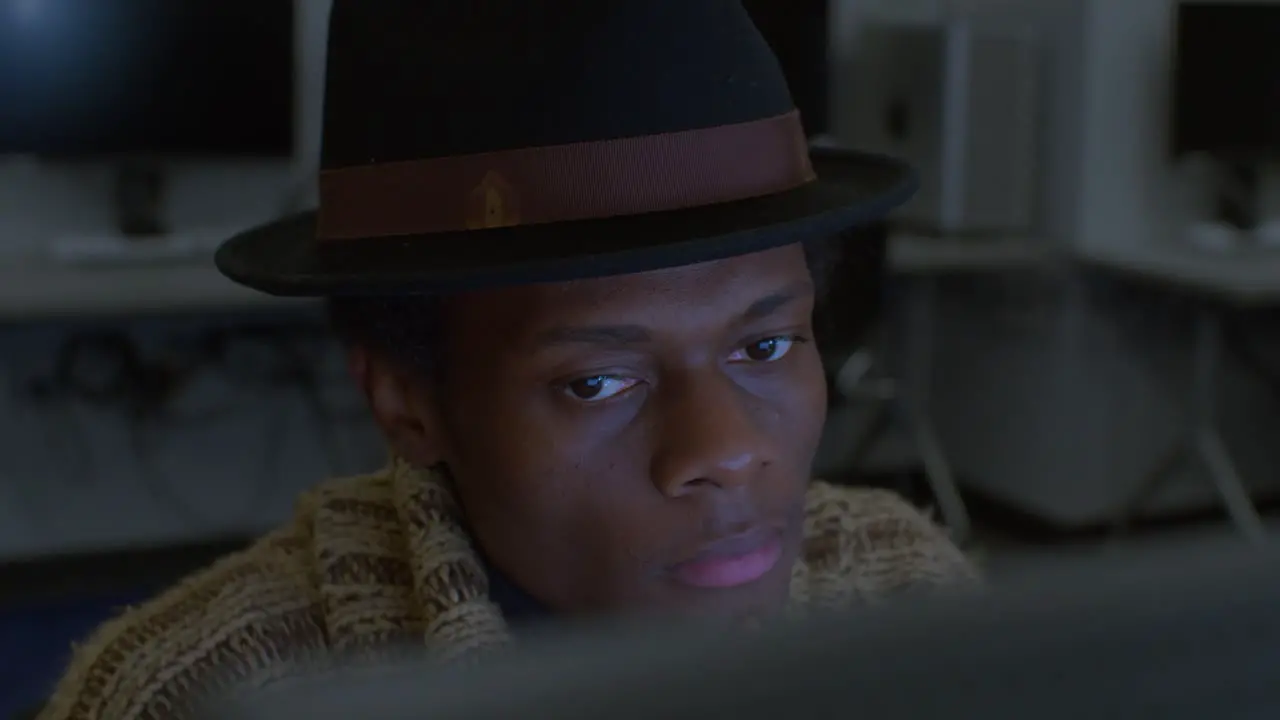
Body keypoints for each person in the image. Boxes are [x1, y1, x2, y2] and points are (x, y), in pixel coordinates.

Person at [38, 2, 977, 719]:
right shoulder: (197, 694)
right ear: (407, 401)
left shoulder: (910, 596)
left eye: (766, 345)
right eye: (597, 382)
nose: (726, 450)